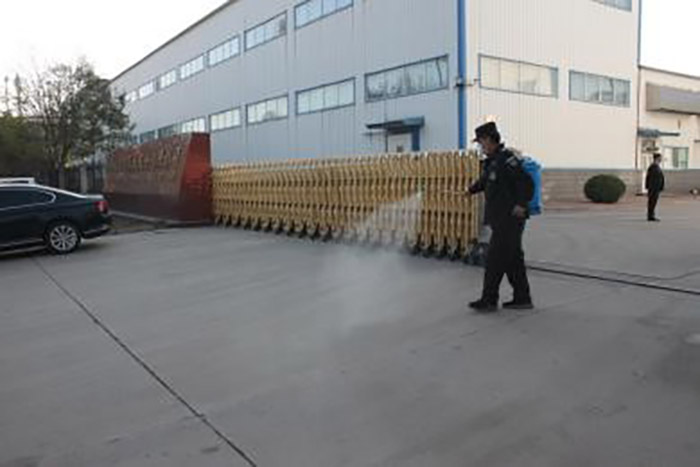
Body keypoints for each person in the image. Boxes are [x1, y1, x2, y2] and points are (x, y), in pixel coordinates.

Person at [467, 122, 534, 312]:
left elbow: (526, 183)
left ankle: (489, 300)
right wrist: (470, 190)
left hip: (510, 219)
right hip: (500, 218)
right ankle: (522, 298)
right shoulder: (493, 161)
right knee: (513, 260)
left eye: (481, 142)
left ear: (489, 139)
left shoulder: (507, 159)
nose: (480, 146)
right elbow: (485, 181)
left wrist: (521, 204)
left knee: (494, 259)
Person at [645, 153, 665, 222]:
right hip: (653, 188)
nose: (661, 159)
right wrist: (649, 187)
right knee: (652, 201)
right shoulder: (653, 167)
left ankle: (651, 215)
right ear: (656, 158)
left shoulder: (657, 167)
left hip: (656, 188)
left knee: (654, 202)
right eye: (660, 158)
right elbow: (650, 178)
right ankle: (650, 216)